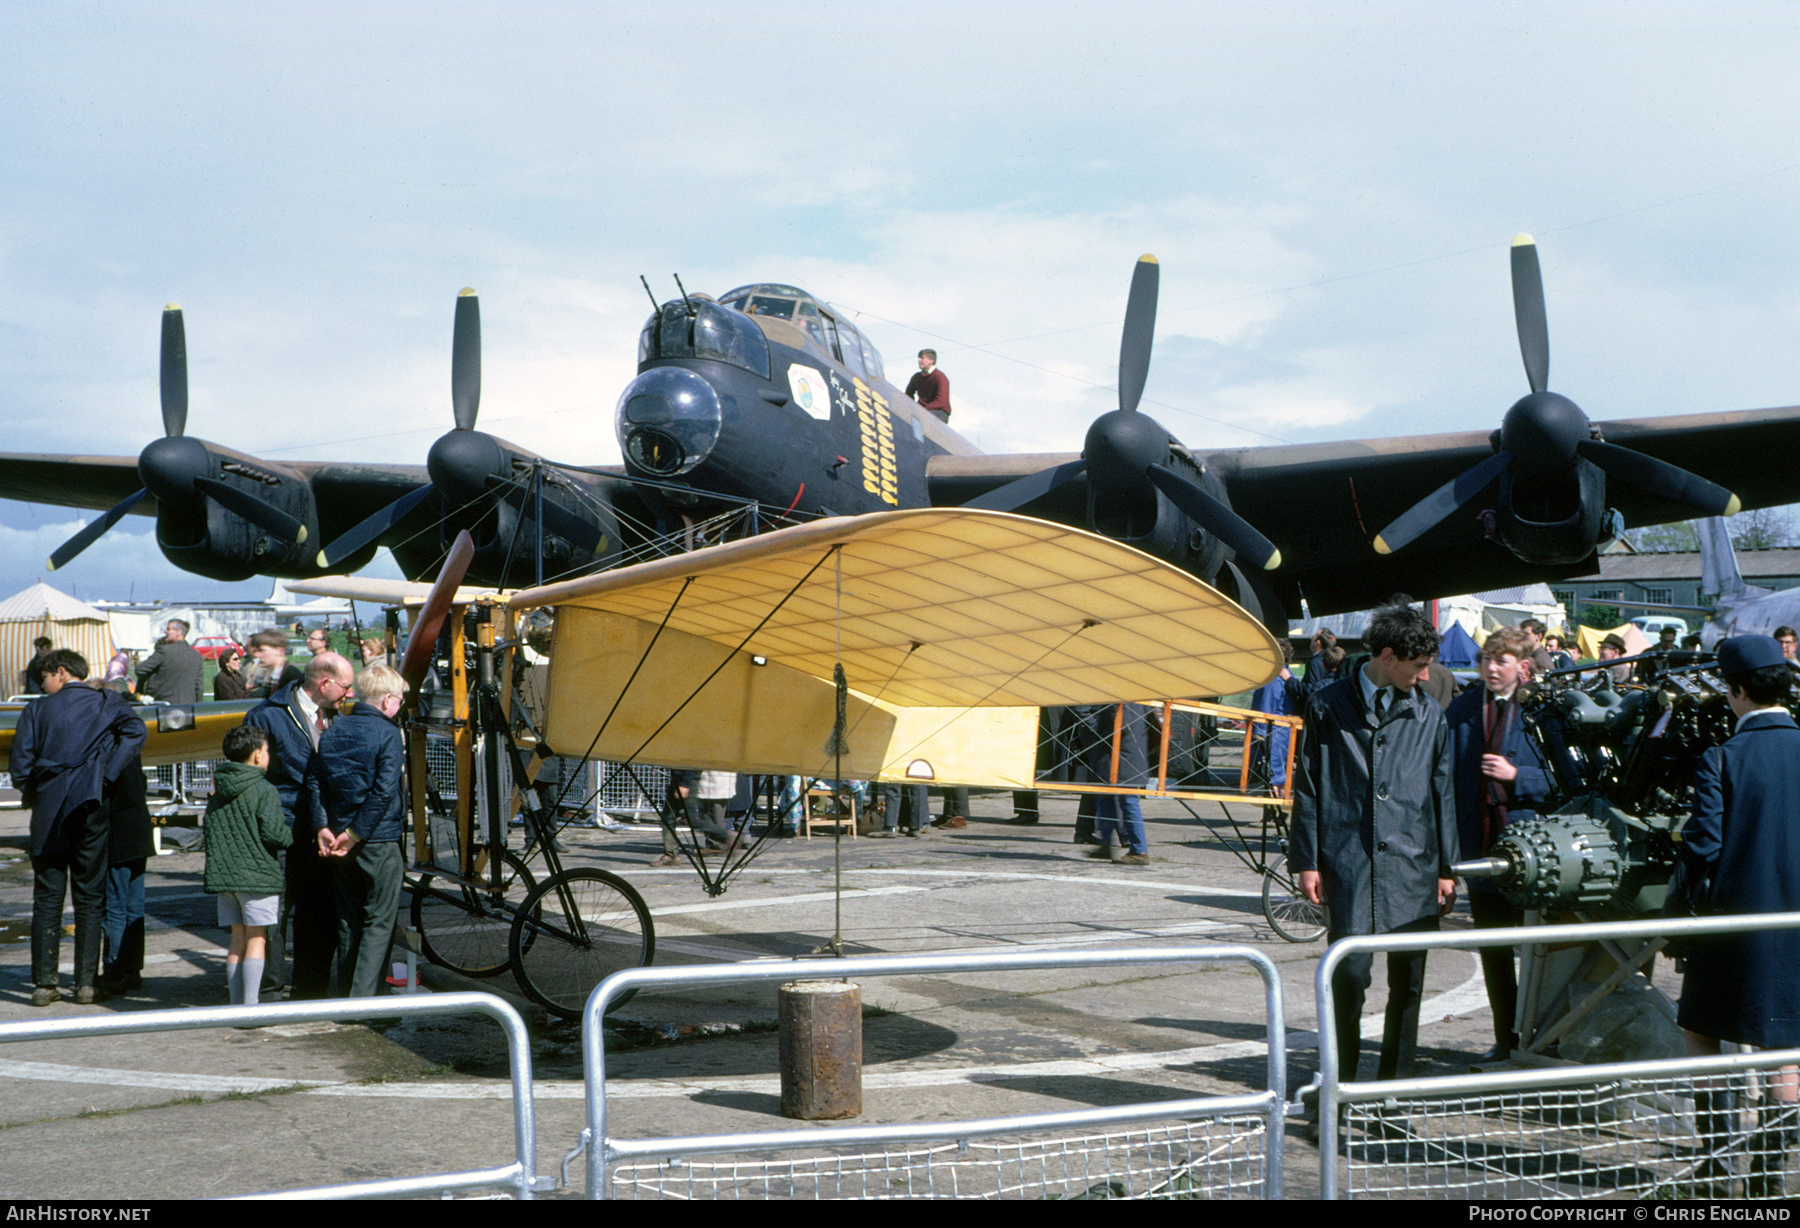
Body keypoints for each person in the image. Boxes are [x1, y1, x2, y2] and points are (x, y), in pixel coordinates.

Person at [1290, 601, 1458, 1083]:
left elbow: (1441, 791)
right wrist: (1306, 860)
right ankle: (1338, 1087)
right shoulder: (1327, 705)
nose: (1425, 677)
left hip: (1414, 866)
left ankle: (1392, 1094)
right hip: (1349, 861)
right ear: (1387, 656)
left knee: (1409, 986)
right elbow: (1308, 787)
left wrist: (1448, 869)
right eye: (1419, 666)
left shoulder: (1430, 716)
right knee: (1349, 978)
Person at [1674, 634, 1800, 1196]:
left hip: (1734, 927)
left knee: (1701, 1030)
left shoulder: (1721, 757)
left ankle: (1718, 1167)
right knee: (1788, 1053)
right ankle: (1769, 1175)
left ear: (1737, 692)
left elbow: (1701, 847)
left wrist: (1676, 917)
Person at [1446, 627, 1557, 1061]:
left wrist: (1518, 777)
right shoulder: (1462, 708)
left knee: (1539, 955)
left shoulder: (1543, 711)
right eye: (1485, 660)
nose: (1490, 669)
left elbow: (1567, 781)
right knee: (1493, 952)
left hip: (1534, 854)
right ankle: (1505, 1039)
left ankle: (1543, 1039)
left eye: (1501, 661)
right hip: (1482, 851)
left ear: (1522, 667)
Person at [13, 649, 147, 1006]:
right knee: (90, 898)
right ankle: (85, 984)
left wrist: (39, 791)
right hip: (92, 805)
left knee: (47, 897)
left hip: (49, 809)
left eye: (44, 678)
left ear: (60, 672)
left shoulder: (37, 709)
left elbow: (20, 766)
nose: (43, 685)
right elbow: (136, 731)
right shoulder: (107, 700)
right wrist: (107, 773)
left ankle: (45, 983)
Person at [244, 651, 354, 1000]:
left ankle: (311, 987)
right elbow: (249, 774)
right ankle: (271, 990)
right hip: (282, 825)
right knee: (275, 910)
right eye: (346, 687)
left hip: (322, 830)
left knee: (319, 910)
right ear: (325, 683)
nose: (349, 694)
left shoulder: (341, 717)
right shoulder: (266, 716)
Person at [306, 664, 408, 999]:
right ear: (387, 701)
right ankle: (365, 1002)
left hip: (338, 838)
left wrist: (325, 826)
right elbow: (383, 791)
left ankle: (347, 992)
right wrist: (357, 833)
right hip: (375, 838)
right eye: (401, 698)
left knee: (349, 920)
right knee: (380, 922)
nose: (402, 704)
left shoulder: (334, 730)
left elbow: (316, 780)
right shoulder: (388, 733)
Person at [204, 725, 292, 1006]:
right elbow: (275, 834)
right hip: (256, 875)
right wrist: (292, 835)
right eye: (266, 750)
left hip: (225, 877)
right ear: (256, 756)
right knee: (258, 938)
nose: (268, 755)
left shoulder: (219, 789)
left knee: (237, 939)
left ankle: (234, 1004)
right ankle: (251, 1007)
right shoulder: (264, 789)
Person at [98, 752, 155, 996]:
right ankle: (132, 968)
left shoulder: (106, 749)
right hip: (139, 831)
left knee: (115, 906)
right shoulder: (130, 747)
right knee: (134, 905)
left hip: (118, 833)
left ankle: (115, 969)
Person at [1087, 702, 1153, 866]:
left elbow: (1121, 725)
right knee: (1105, 799)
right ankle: (1106, 845)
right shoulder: (1141, 697)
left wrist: (1094, 727)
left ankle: (1139, 850)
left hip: (1121, 758)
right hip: (1129, 755)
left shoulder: (1119, 699)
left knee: (1128, 801)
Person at [134, 618, 203, 703]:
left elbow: (140, 670)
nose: (165, 632)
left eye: (168, 629)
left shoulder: (164, 651)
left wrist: (153, 675)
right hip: (187, 708)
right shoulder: (196, 656)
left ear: (178, 632)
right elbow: (199, 688)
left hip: (163, 707)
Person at [247, 629, 302, 699]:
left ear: (279, 651)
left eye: (262, 650)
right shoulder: (274, 675)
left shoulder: (292, 678)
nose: (257, 655)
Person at [904, 349, 952, 422]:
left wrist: (922, 410)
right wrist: (911, 407)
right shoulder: (916, 377)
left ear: (931, 361)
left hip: (940, 412)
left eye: (922, 358)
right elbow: (908, 394)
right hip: (923, 411)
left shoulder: (940, 377)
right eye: (919, 358)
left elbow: (941, 401)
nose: (919, 360)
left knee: (924, 420)